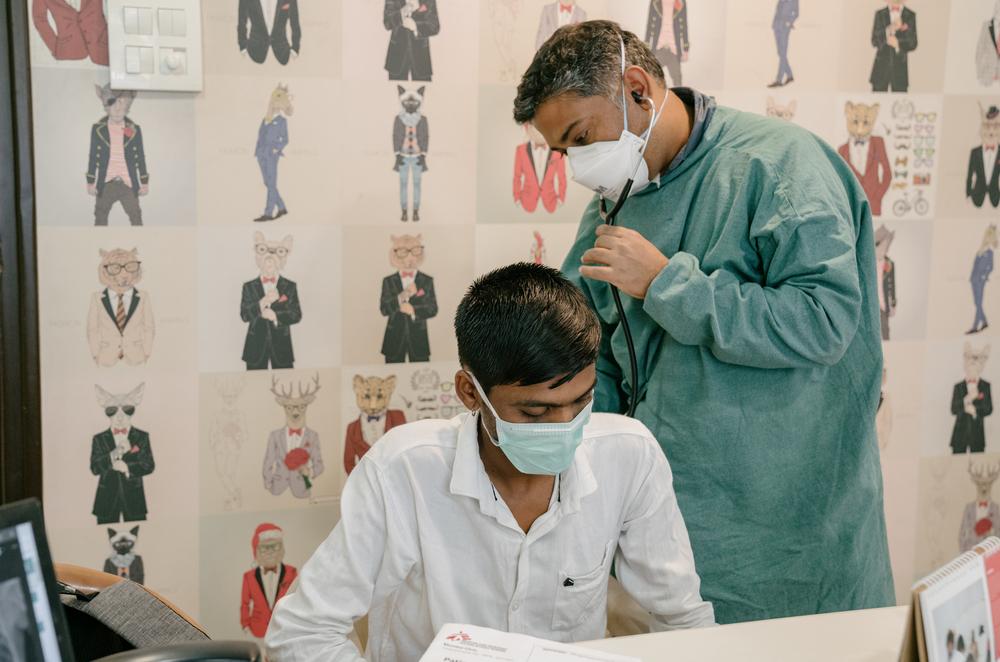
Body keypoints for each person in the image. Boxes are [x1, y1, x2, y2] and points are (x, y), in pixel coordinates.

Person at [513, 20, 893, 624]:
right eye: (562, 151)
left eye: (581, 138)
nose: (576, 164)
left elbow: (825, 321)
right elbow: (589, 348)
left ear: (637, 88)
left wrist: (669, 285)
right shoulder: (614, 201)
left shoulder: (780, 167)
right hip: (663, 522)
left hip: (785, 529)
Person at [266, 263, 715, 660]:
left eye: (580, 402)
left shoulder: (628, 456)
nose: (563, 426)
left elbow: (682, 618)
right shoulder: (404, 470)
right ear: (469, 392)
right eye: (535, 412)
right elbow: (302, 633)